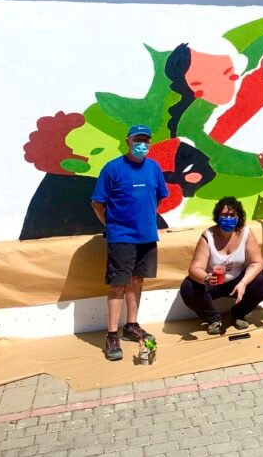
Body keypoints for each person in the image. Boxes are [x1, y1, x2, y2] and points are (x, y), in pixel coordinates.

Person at [91, 124, 169, 361]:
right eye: (137, 140)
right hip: (121, 238)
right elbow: (97, 203)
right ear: (128, 141)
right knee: (118, 286)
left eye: (146, 140)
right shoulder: (112, 168)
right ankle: (112, 334)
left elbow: (159, 198)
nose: (141, 144)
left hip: (147, 236)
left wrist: (146, 220)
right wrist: (113, 224)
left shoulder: (153, 167)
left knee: (137, 281)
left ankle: (131, 325)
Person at [180, 197, 263, 334]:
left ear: (238, 216)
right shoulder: (208, 236)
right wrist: (206, 278)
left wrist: (243, 283)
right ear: (218, 216)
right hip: (213, 281)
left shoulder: (246, 233)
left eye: (231, 215)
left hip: (237, 280)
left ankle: (238, 314)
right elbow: (194, 268)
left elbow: (257, 262)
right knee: (188, 287)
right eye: (224, 215)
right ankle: (213, 319)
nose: (228, 218)